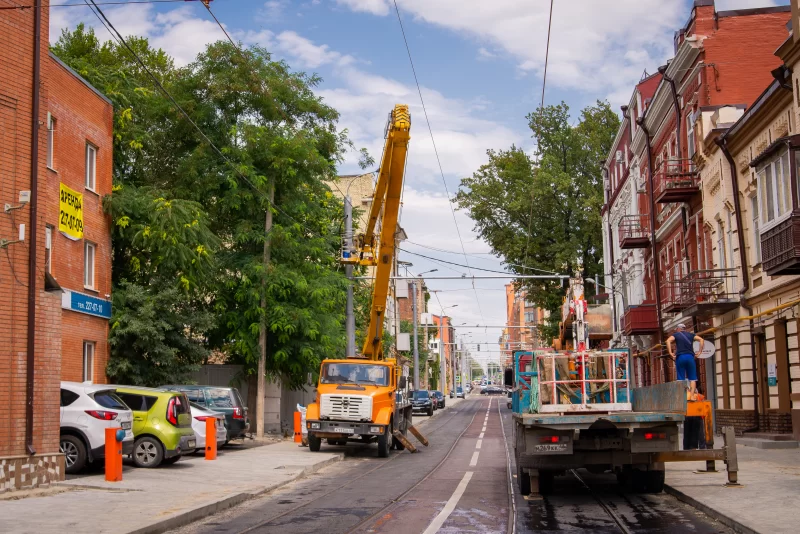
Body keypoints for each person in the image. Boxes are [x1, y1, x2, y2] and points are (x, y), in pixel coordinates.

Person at [666, 323, 704, 398]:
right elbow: (701, 340)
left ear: (678, 329)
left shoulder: (676, 335)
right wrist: (699, 352)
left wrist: (670, 352)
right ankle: (692, 396)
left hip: (680, 357)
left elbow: (668, 341)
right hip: (690, 357)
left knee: (681, 378)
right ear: (684, 328)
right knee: (693, 378)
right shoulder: (691, 335)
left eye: (676, 329)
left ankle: (682, 397)